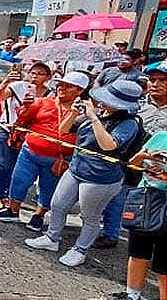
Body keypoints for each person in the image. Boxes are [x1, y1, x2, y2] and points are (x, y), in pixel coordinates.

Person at [25, 80, 142, 267]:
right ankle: (52, 238)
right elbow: (62, 131)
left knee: (90, 216)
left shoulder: (129, 124)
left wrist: (94, 118)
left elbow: (109, 145)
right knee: (58, 204)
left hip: (101, 179)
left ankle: (80, 249)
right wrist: (74, 112)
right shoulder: (98, 113)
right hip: (76, 169)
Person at [0, 71, 87, 230]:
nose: (61, 88)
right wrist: (27, 107)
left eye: (68, 86)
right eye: (60, 84)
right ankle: (13, 210)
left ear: (80, 91)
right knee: (19, 181)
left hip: (58, 158)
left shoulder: (84, 111)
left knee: (48, 187)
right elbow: (23, 120)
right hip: (30, 152)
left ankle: (39, 215)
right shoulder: (43, 102)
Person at [95, 60, 167, 249]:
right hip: (129, 159)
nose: (155, 84)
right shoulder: (136, 104)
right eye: (152, 80)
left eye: (162, 80)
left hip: (158, 170)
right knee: (120, 195)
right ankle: (111, 233)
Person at [104, 131, 167, 300]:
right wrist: (146, 157)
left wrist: (165, 176)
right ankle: (132, 295)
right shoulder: (160, 136)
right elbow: (133, 163)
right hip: (146, 197)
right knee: (138, 251)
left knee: (164, 263)